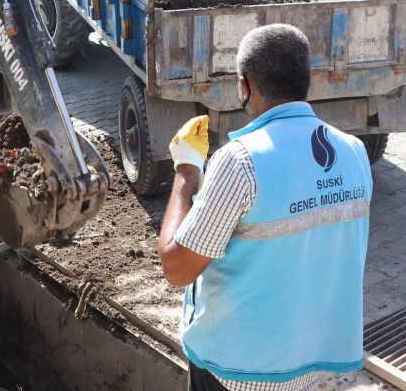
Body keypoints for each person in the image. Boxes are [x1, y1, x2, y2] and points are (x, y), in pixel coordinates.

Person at [158, 24, 373, 391]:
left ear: (246, 85)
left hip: (234, 372)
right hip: (306, 367)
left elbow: (177, 268)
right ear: (306, 79)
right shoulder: (354, 152)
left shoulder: (240, 161)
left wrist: (187, 171)